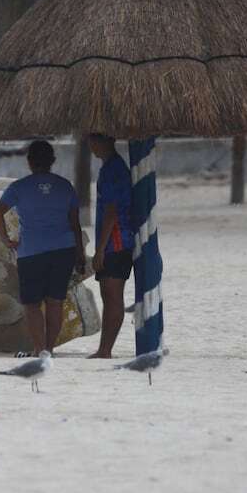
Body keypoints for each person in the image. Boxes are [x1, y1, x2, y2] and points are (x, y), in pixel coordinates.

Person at [0, 140, 86, 355]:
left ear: (29, 161)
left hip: (31, 252)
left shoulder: (19, 187)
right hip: (64, 250)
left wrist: (6, 239)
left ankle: (38, 348)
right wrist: (79, 254)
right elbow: (75, 224)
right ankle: (49, 349)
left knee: (32, 304)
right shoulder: (65, 186)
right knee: (55, 302)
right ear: (52, 160)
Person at [87, 134, 134, 359]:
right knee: (108, 294)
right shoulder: (109, 168)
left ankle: (106, 349)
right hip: (113, 241)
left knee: (113, 295)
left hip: (116, 241)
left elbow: (112, 212)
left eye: (92, 140)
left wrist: (100, 249)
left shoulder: (114, 169)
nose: (90, 145)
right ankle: (103, 348)